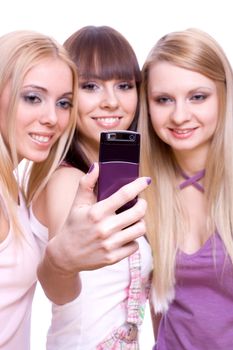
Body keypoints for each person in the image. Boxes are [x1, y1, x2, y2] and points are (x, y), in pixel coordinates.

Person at [0, 29, 150, 350]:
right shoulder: (63, 181)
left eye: (63, 102)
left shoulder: (11, 188)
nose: (51, 117)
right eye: (32, 97)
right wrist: (60, 263)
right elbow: (62, 290)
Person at [138, 28, 233, 349]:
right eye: (164, 100)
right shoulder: (142, 189)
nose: (180, 116)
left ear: (224, 95)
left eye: (197, 97)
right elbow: (156, 306)